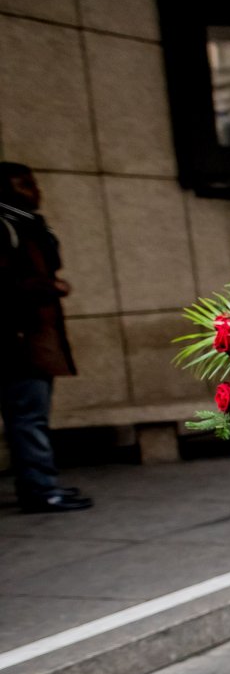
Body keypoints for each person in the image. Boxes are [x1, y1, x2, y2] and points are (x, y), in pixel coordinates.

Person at [0, 162, 89, 514]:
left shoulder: (28, 224)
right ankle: (39, 490)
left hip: (34, 336)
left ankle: (40, 485)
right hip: (16, 339)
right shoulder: (5, 226)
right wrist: (46, 286)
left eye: (33, 183)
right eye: (23, 185)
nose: (35, 191)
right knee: (28, 417)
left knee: (31, 415)